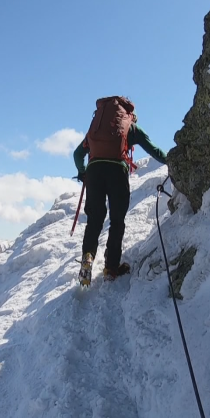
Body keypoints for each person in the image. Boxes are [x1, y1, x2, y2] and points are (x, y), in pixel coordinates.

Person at [73, 96, 167, 286]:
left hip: (95, 172)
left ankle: (87, 260)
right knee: (117, 221)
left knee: (95, 220)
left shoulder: (97, 127)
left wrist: (83, 173)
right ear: (129, 114)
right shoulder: (130, 126)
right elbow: (154, 150)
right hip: (117, 172)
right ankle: (111, 268)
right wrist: (172, 161)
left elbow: (77, 154)